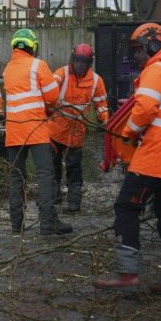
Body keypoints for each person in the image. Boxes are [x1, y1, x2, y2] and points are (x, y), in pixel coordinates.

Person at [93, 23, 161, 296]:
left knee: (126, 207)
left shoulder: (156, 70)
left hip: (156, 156)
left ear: (153, 45)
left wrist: (128, 133)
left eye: (138, 49)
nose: (135, 56)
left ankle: (127, 274)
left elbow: (145, 108)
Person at [2, 28, 73, 235]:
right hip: (36, 129)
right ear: (33, 46)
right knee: (45, 175)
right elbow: (53, 97)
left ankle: (17, 224)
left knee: (16, 177)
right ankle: (48, 222)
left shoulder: (7, 69)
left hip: (14, 131)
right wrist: (49, 108)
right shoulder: (38, 66)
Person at [49, 43, 109, 213]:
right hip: (55, 130)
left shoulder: (96, 81)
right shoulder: (61, 75)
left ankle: (74, 201)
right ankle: (53, 197)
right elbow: (50, 91)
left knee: (74, 167)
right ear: (72, 59)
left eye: (83, 62)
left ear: (89, 63)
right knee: (53, 166)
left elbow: (101, 105)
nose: (79, 65)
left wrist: (105, 120)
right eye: (77, 61)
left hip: (76, 132)